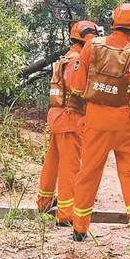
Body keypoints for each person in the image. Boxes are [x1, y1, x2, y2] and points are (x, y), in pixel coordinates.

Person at [71, 3, 130, 251]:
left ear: (113, 22)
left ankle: (79, 230)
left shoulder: (91, 46)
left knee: (88, 171)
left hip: (96, 120)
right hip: (127, 123)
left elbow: (78, 88)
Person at [36, 20, 101, 226]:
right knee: (70, 166)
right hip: (70, 118)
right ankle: (66, 213)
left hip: (57, 116)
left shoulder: (66, 58)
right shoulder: (77, 62)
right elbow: (79, 90)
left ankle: (44, 202)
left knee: (52, 162)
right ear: (88, 37)